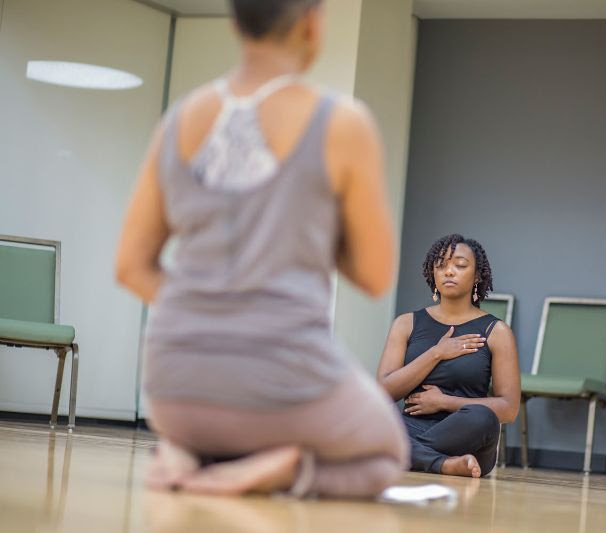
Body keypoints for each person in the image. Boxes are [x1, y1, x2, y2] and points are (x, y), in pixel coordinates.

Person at [115, 0, 407, 498]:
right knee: (386, 454)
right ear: (313, 24)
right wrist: (316, 222)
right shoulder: (343, 123)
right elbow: (375, 276)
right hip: (281, 378)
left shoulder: (179, 119)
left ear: (235, 23)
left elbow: (130, 267)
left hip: (173, 385)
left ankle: (186, 450)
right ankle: (284, 472)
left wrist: (208, 313)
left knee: (221, 417)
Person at [376, 234, 520, 478]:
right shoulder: (406, 324)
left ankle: (400, 454)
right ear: (433, 274)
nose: (449, 272)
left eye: (460, 265)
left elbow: (508, 409)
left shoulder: (497, 332)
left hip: (467, 433)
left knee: (484, 418)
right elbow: (382, 393)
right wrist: (436, 353)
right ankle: (443, 464)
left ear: (477, 276)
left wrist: (444, 402)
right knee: (369, 417)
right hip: (411, 426)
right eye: (441, 265)